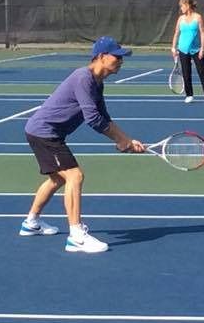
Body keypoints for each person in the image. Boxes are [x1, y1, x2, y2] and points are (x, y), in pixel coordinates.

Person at [20, 36, 145, 254]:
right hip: (44, 133)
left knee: (58, 178)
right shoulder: (83, 78)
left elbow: (105, 117)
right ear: (100, 57)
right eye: (117, 56)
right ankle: (76, 237)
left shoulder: (97, 83)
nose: (121, 61)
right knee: (75, 176)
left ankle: (30, 223)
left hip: (45, 133)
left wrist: (127, 140)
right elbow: (94, 119)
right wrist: (120, 140)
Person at [171, 0, 204, 104]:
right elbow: (176, 33)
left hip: (196, 50)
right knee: (186, 73)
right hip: (183, 50)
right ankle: (189, 95)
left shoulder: (198, 17)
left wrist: (202, 49)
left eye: (181, 6)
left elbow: (203, 33)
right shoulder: (180, 19)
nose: (180, 8)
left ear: (187, 5)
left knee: (202, 72)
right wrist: (173, 47)